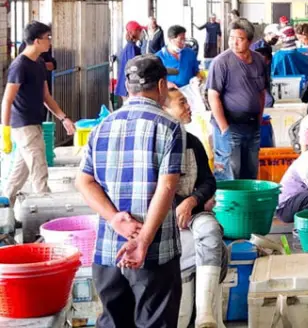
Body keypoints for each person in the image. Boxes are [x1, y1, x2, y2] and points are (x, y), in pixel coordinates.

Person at [75, 55, 183, 327]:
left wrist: (114, 219)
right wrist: (143, 239)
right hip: (154, 253)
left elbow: (84, 182)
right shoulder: (169, 126)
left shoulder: (101, 127)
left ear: (128, 86)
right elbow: (167, 186)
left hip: (109, 252)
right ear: (161, 85)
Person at [162, 88, 226, 328]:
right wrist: (178, 205)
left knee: (211, 231)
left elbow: (209, 182)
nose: (188, 107)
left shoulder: (193, 142)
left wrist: (193, 200)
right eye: (182, 103)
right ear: (165, 109)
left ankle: (206, 314)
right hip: (161, 220)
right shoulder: (156, 144)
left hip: (193, 215)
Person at [2, 22, 76, 206]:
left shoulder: (40, 63)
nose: (50, 41)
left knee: (20, 172)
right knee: (40, 172)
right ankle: (45, 214)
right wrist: (5, 131)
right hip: (23, 125)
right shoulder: (19, 66)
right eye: (47, 37)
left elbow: (46, 97)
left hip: (35, 122)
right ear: (36, 41)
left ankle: (4, 205)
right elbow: (7, 100)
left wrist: (64, 118)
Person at [207, 18, 270, 180]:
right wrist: (224, 128)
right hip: (230, 126)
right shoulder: (221, 62)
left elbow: (261, 92)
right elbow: (213, 95)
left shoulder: (259, 60)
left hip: (252, 126)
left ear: (250, 41)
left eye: (239, 39)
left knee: (250, 175)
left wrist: (258, 119)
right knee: (229, 175)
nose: (234, 43)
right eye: (231, 38)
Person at [114, 21, 144, 101]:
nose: (141, 33)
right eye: (140, 30)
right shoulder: (132, 48)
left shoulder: (130, 46)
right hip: (129, 88)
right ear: (135, 32)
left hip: (126, 86)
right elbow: (133, 68)